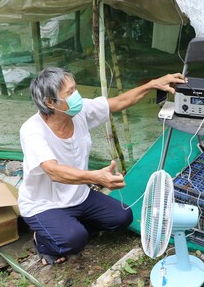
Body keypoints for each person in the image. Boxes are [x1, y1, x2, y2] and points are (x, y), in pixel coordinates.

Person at [18, 67, 185, 265]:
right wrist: (96, 177)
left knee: (122, 217)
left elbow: (118, 102)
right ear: (49, 102)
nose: (77, 95)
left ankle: (68, 226)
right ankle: (43, 240)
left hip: (79, 196)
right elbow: (53, 171)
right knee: (74, 241)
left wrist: (153, 84)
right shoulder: (32, 130)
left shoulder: (78, 112)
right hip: (44, 205)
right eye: (70, 92)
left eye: (75, 89)